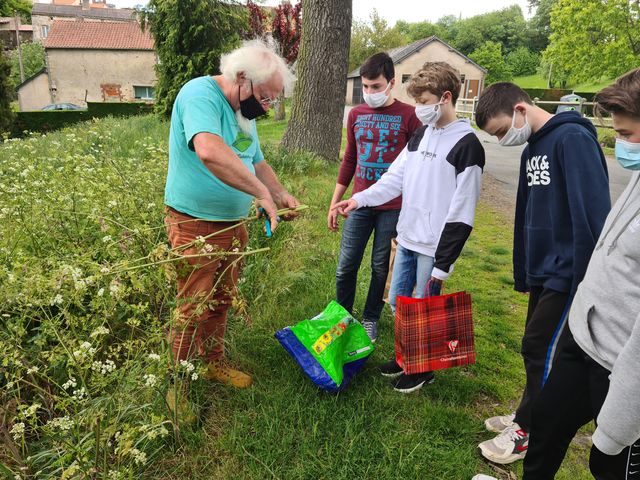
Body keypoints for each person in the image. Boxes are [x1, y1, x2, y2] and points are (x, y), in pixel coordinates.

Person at [473, 83, 611, 464]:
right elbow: (528, 215)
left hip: (570, 274)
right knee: (537, 348)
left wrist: (586, 282)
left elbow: (592, 215)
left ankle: (531, 431)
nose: (502, 140)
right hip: (545, 270)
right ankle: (526, 414)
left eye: (502, 131)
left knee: (540, 348)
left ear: (520, 109)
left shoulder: (572, 140)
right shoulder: (534, 146)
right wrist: (526, 271)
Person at [333, 61, 485, 393]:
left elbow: (463, 211)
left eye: (425, 101)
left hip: (434, 246)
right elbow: (394, 179)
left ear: (445, 98)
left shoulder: (467, 145)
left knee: (424, 306)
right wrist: (359, 199)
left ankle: (423, 369)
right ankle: (405, 359)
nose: (419, 108)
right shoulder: (420, 134)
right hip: (407, 236)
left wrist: (444, 264)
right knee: (399, 303)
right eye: (416, 100)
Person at [163, 40, 299, 413]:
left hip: (232, 225)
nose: (268, 107)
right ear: (242, 78)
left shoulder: (245, 112)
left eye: (273, 100)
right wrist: (260, 195)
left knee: (221, 300)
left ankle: (212, 362)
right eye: (267, 97)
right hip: (194, 225)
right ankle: (177, 381)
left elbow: (256, 162)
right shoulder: (199, 95)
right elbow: (208, 149)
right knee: (192, 305)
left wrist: (280, 193)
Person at [328, 52, 422, 343]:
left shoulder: (410, 116)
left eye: (376, 86)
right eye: (366, 87)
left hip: (393, 208)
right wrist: (335, 200)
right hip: (359, 202)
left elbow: (419, 167)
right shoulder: (356, 115)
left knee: (381, 266)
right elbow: (350, 159)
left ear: (391, 83)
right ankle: (341, 317)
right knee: (346, 265)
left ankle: (370, 318)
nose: (370, 93)